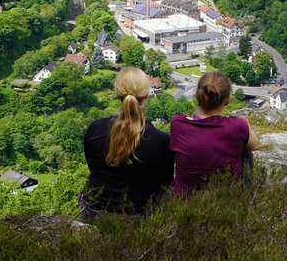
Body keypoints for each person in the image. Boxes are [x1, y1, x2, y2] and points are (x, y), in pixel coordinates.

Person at [81, 67, 174, 216]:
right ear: (146, 95)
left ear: (117, 93)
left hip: (94, 208)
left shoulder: (95, 129)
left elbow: (93, 169)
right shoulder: (161, 141)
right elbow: (165, 184)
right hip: (139, 215)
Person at [170, 71, 258, 194]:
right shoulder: (238, 126)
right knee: (246, 151)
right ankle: (246, 194)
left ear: (196, 95)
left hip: (184, 199)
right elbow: (254, 145)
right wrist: (245, 124)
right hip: (225, 197)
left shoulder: (178, 124)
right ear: (227, 100)